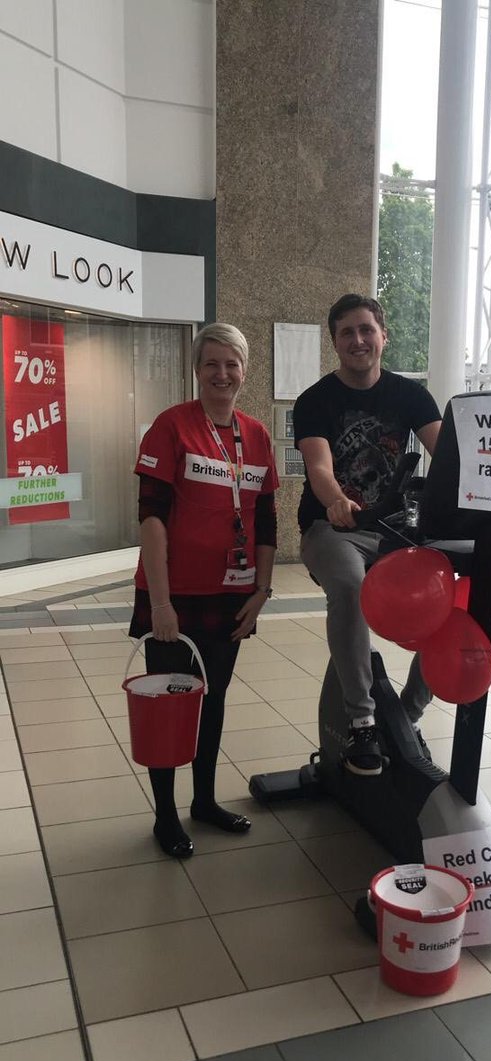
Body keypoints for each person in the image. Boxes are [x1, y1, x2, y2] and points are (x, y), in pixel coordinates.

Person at [129, 322, 279, 858]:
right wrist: (162, 604)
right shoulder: (170, 428)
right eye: (211, 363)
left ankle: (205, 802)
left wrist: (262, 589)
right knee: (170, 708)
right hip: (173, 596)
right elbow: (151, 520)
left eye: (231, 364)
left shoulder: (256, 435)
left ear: (244, 370)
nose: (222, 374)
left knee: (211, 702)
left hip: (231, 596)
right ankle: (165, 816)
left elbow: (266, 519)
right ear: (197, 369)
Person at [293, 293, 442, 777]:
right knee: (350, 586)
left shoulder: (411, 396)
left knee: (449, 601)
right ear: (335, 342)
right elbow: (318, 465)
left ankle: (409, 715)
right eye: (346, 333)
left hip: (396, 532)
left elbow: (450, 458)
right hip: (332, 529)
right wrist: (336, 499)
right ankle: (361, 722)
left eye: (365, 329)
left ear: (383, 335)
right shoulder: (315, 401)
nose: (358, 340)